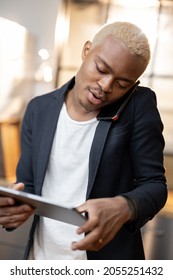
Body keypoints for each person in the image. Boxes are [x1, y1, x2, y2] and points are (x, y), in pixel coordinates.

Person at [0, 21, 167, 260]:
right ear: (86, 50)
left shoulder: (138, 106)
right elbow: (28, 187)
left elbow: (155, 185)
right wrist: (11, 207)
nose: (106, 86)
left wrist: (122, 206)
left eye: (122, 84)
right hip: (40, 258)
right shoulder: (39, 109)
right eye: (101, 68)